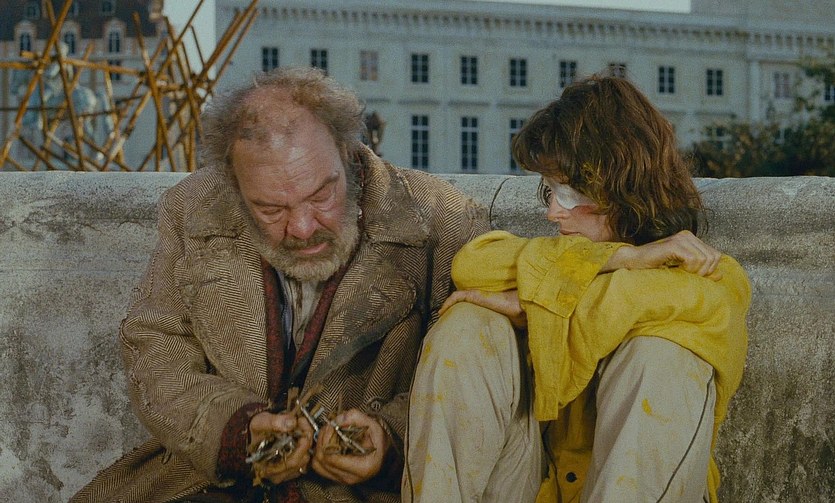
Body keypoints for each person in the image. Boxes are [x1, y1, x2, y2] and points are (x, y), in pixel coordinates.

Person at [71, 67, 490, 503]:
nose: (303, 228)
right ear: (233, 184)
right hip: (212, 484)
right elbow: (155, 346)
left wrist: (391, 439)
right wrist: (236, 432)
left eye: (321, 196)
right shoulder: (193, 206)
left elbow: (474, 382)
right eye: (271, 210)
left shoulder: (443, 219)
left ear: (346, 151)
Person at [403, 76, 751, 503]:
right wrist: (621, 258)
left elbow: (664, 304)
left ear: (622, 187)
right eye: (550, 191)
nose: (553, 212)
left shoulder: (711, 276)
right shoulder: (569, 257)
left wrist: (535, 305)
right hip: (533, 481)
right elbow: (473, 263)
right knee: (468, 325)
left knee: (661, 354)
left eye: (569, 193)